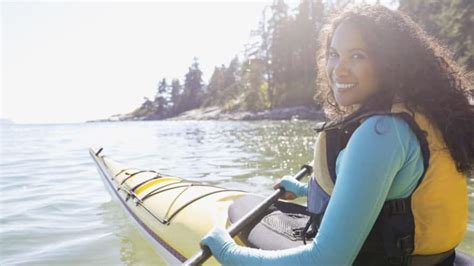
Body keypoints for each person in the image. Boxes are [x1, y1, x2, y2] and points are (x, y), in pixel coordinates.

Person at [201, 4, 474, 265]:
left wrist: (226, 250)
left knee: (241, 209)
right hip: (437, 259)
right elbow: (392, 195)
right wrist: (304, 190)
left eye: (357, 55)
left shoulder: (381, 133)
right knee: (249, 207)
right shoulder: (426, 114)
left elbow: (326, 261)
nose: (338, 69)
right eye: (334, 54)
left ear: (389, 62)